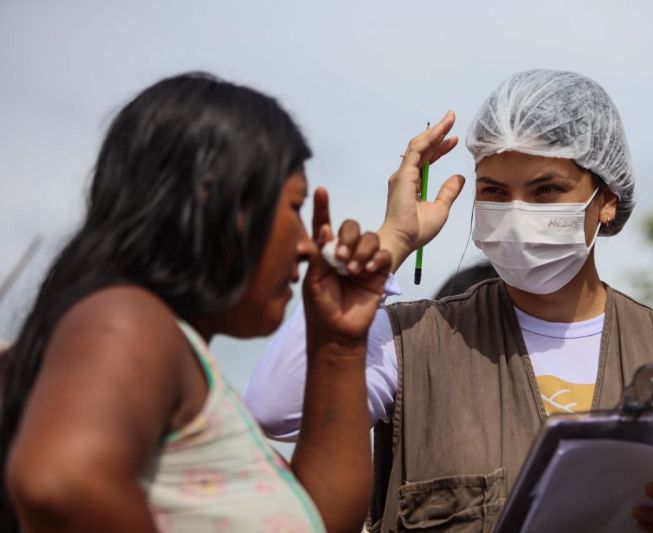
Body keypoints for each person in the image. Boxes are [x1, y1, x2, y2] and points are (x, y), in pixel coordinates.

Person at [245, 70, 653, 532]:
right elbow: (275, 411)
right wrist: (392, 242)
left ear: (606, 200)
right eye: (494, 191)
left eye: (546, 190)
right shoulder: (409, 344)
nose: (516, 213)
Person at [0, 73, 396, 532]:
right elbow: (62, 482)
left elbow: (322, 522)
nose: (308, 245)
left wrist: (339, 343)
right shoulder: (127, 319)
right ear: (218, 203)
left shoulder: (178, 358)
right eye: (294, 208)